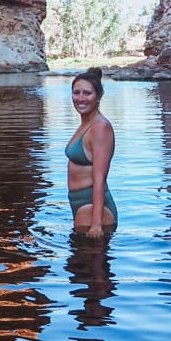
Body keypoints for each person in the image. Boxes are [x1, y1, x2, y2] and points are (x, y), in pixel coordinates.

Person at [65, 67, 117, 237]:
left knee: (90, 261)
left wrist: (96, 225)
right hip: (81, 204)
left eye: (87, 93)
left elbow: (99, 178)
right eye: (76, 92)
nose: (80, 98)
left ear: (99, 97)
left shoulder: (100, 128)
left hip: (92, 208)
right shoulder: (85, 124)